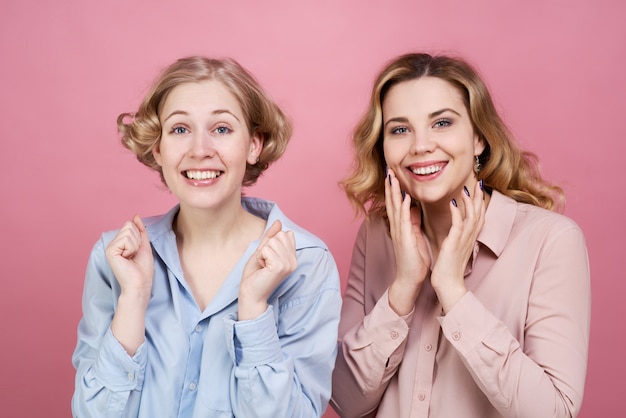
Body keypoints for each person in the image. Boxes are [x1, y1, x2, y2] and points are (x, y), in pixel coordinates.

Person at [72, 56, 342, 418]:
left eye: (222, 129)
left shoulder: (305, 262)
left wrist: (254, 312)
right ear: (158, 147)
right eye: (180, 129)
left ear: (254, 145)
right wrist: (133, 300)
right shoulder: (115, 259)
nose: (199, 149)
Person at [330, 52, 590, 418]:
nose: (420, 146)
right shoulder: (377, 235)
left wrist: (453, 291)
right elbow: (345, 401)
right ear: (383, 147)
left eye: (442, 123)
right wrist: (403, 287)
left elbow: (553, 412)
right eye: (400, 129)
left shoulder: (551, 241)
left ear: (479, 137)